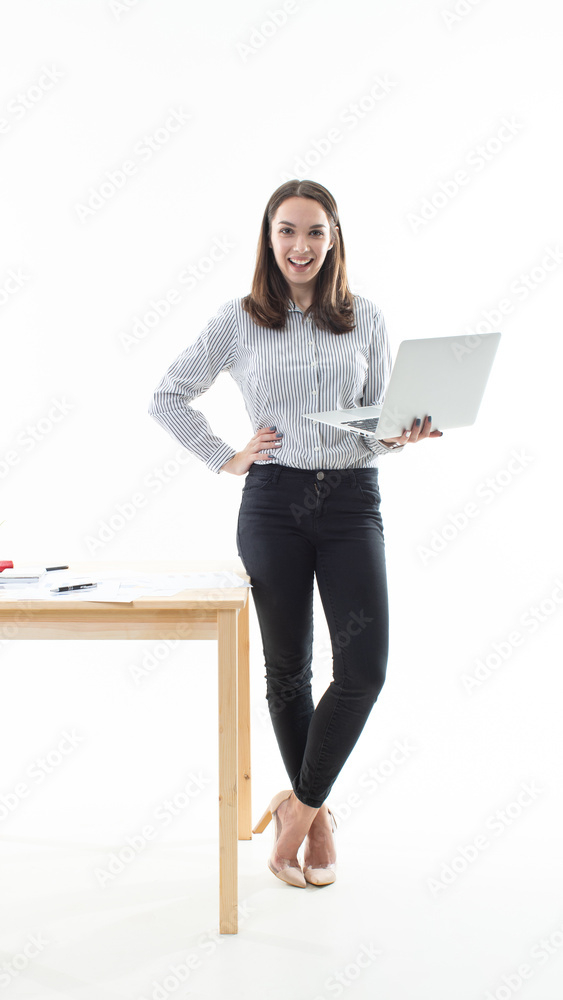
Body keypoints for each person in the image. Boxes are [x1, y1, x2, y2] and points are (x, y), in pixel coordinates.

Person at [148, 179, 441, 888]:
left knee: (363, 670)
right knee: (288, 671)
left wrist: (402, 434)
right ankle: (317, 822)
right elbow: (167, 395)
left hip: (349, 500)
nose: (299, 245)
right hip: (273, 503)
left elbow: (377, 415)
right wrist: (226, 456)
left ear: (333, 237)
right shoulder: (240, 319)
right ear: (268, 237)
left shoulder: (363, 318)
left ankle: (301, 811)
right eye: (286, 231)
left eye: (313, 232)